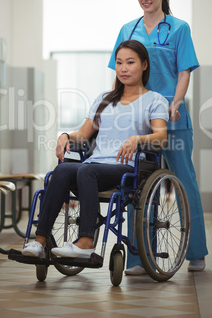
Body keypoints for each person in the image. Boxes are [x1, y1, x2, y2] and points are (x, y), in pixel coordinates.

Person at [22, 40, 169, 259]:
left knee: (85, 170)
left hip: (126, 169)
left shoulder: (154, 100)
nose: (124, 68)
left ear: (144, 65)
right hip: (94, 166)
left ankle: (85, 241)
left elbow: (161, 137)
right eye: (119, 63)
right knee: (61, 171)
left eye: (130, 62)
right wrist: (64, 135)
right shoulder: (104, 99)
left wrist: (138, 139)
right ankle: (40, 242)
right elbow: (83, 134)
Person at [108, 0, 208, 274]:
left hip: (172, 117)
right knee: (140, 188)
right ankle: (140, 257)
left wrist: (176, 102)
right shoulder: (128, 29)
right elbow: (119, 72)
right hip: (139, 121)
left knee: (184, 184)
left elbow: (184, 71)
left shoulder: (178, 28)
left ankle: (196, 252)